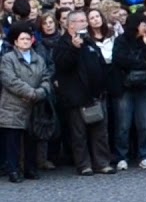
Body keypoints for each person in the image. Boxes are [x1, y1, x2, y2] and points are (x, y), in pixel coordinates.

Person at [53, 10, 113, 175]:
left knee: (100, 132)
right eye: (80, 21)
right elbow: (62, 65)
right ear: (71, 24)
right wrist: (74, 48)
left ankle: (102, 163)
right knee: (79, 134)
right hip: (77, 96)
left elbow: (99, 62)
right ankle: (84, 164)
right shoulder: (63, 43)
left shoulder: (89, 41)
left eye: (84, 21)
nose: (84, 24)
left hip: (96, 94)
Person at [0, 22, 52, 182]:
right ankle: (13, 170)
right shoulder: (8, 59)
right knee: (13, 141)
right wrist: (30, 92)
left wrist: (40, 92)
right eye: (22, 39)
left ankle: (30, 168)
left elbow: (46, 77)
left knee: (31, 139)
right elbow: (10, 80)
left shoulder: (38, 58)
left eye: (28, 39)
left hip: (34, 104)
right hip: (13, 104)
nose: (26, 41)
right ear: (15, 42)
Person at [111, 12, 146, 170]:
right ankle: (121, 156)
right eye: (143, 24)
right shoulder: (121, 40)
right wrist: (141, 63)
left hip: (144, 87)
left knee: (144, 124)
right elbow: (119, 59)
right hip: (125, 87)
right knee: (123, 124)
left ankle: (145, 155)